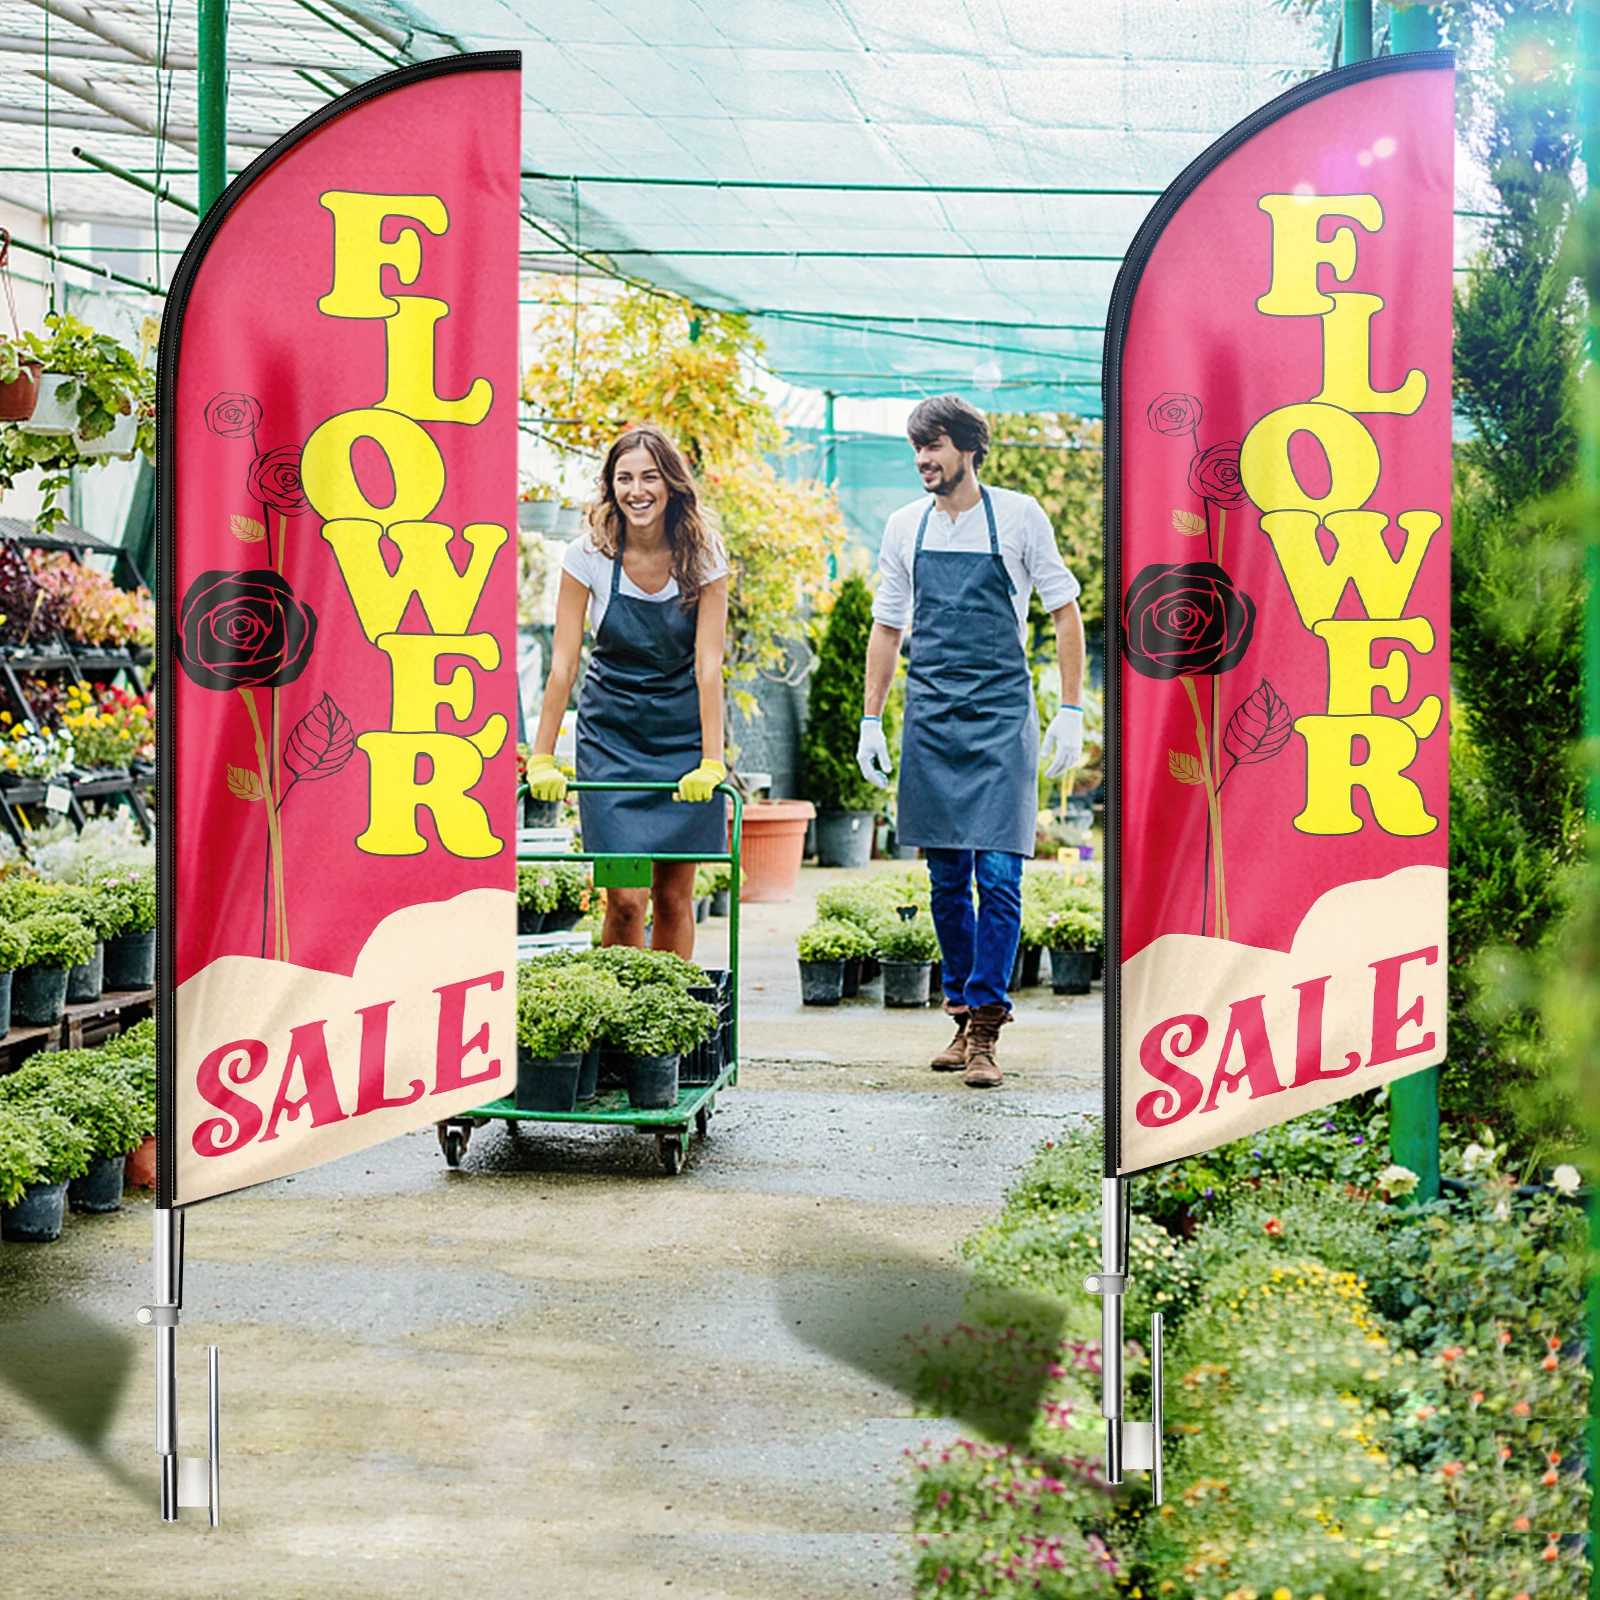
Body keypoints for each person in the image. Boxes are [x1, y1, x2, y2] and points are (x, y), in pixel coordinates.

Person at [857, 395, 1085, 1089]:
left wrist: (1071, 709)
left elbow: (1065, 610)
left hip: (1000, 713)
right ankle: (961, 1012)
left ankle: (987, 1024)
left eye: (935, 446)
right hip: (930, 712)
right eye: (917, 449)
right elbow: (888, 627)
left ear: (968, 448)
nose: (924, 460)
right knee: (947, 880)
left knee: (1001, 875)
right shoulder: (904, 527)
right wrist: (871, 718)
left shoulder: (1018, 516)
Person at [526, 426, 729, 958]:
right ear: (610, 486)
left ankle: (668, 1029)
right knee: (624, 902)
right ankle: (619, 1030)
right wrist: (542, 756)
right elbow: (564, 663)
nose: (637, 490)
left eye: (649, 477)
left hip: (680, 735)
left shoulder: (704, 555)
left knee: (672, 899)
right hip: (611, 738)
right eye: (624, 478)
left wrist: (712, 760)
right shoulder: (587, 554)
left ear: (672, 485)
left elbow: (709, 665)